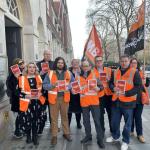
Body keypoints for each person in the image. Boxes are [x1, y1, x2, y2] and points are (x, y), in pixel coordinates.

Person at [106, 55, 142, 150]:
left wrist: (126, 93)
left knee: (127, 124)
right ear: (119, 61)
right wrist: (113, 87)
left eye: (126, 61)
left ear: (129, 61)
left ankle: (125, 141)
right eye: (122, 61)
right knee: (114, 122)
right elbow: (110, 83)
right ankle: (115, 136)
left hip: (128, 102)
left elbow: (138, 87)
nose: (124, 63)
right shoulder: (116, 71)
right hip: (116, 101)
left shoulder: (134, 72)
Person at [43, 57, 73, 145]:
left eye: (62, 63)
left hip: (64, 98)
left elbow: (73, 83)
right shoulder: (50, 73)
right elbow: (44, 85)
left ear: (64, 64)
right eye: (59, 62)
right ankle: (54, 136)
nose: (60, 64)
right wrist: (52, 85)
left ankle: (66, 133)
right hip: (54, 99)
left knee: (65, 117)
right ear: (56, 63)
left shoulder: (68, 73)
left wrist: (68, 86)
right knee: (54, 118)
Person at [79, 60, 105, 149]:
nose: (85, 68)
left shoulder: (95, 75)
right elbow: (75, 88)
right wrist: (74, 90)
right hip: (84, 102)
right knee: (86, 121)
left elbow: (102, 87)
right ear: (81, 67)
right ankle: (88, 136)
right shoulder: (78, 76)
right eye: (83, 66)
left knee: (97, 121)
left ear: (90, 66)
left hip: (94, 102)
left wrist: (99, 88)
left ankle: (100, 139)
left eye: (87, 66)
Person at [18, 62, 45, 145]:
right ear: (27, 69)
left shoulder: (39, 77)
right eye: (30, 67)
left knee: (36, 120)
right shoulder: (22, 78)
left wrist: (41, 93)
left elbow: (43, 90)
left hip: (37, 103)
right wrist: (25, 96)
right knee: (28, 120)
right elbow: (18, 92)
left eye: (33, 67)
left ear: (35, 69)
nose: (32, 69)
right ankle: (28, 136)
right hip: (27, 103)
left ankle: (35, 136)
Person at [130, 58, 150, 143]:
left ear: (137, 64)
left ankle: (140, 134)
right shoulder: (129, 73)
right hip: (130, 99)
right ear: (130, 64)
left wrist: (146, 79)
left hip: (139, 99)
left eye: (135, 63)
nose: (134, 64)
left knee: (138, 117)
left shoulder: (142, 73)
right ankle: (131, 131)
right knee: (130, 116)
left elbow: (147, 85)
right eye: (132, 63)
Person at [6, 58, 25, 138]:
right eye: (20, 64)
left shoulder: (22, 74)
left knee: (21, 115)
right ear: (16, 65)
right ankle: (17, 131)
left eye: (22, 63)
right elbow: (11, 88)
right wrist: (17, 80)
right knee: (18, 115)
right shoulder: (12, 76)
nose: (22, 65)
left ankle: (20, 129)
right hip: (16, 99)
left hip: (22, 98)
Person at [94, 56, 113, 134]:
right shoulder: (92, 71)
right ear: (95, 62)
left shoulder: (109, 70)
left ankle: (112, 129)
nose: (99, 62)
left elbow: (114, 81)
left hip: (109, 94)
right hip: (99, 95)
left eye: (100, 60)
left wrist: (110, 80)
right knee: (100, 114)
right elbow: (91, 82)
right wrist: (96, 82)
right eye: (97, 61)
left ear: (103, 61)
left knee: (111, 113)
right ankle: (102, 130)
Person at [36, 50, 54, 133]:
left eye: (49, 54)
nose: (48, 55)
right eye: (46, 54)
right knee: (42, 110)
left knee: (52, 110)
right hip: (42, 91)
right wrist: (40, 73)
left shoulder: (54, 63)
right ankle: (40, 127)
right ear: (43, 55)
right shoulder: (38, 64)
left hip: (51, 90)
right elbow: (34, 76)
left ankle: (52, 126)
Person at [68, 59, 82, 129]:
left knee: (78, 110)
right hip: (70, 93)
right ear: (71, 64)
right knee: (69, 110)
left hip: (79, 94)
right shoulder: (68, 71)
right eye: (74, 63)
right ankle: (68, 124)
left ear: (79, 64)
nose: (75, 64)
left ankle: (78, 123)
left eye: (77, 62)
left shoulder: (81, 71)